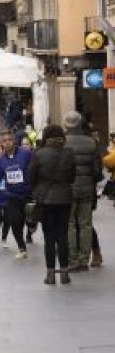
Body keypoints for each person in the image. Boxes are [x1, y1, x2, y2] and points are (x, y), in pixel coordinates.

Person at [29, 125, 76, 285]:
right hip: (65, 198)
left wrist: (38, 189)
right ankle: (64, 273)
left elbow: (31, 177)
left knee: (49, 238)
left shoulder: (38, 154)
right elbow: (72, 177)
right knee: (62, 236)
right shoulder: (69, 154)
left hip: (46, 200)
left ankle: (50, 274)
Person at [63, 111, 101, 272]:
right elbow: (98, 172)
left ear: (65, 124)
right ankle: (84, 259)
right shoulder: (91, 142)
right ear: (79, 123)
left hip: (68, 190)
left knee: (70, 224)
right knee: (86, 224)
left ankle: (72, 258)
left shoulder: (62, 143)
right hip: (87, 189)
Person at [0, 130, 32, 259]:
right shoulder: (1, 160)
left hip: (27, 194)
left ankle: (30, 230)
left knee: (28, 222)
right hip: (12, 196)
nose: (7, 143)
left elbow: (35, 169)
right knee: (15, 222)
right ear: (1, 143)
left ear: (13, 141)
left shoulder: (26, 154)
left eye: (9, 140)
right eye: (4, 141)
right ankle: (22, 248)